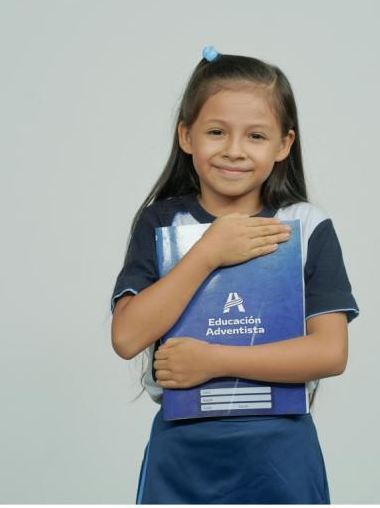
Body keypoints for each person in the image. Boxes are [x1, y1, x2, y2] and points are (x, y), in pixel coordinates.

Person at [109, 45, 361, 504]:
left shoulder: (306, 225)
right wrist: (208, 252)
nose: (234, 151)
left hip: (280, 450)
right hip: (183, 450)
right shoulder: (161, 223)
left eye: (256, 137)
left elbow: (330, 351)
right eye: (217, 131)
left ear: (285, 144)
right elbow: (127, 337)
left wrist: (215, 361)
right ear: (187, 136)